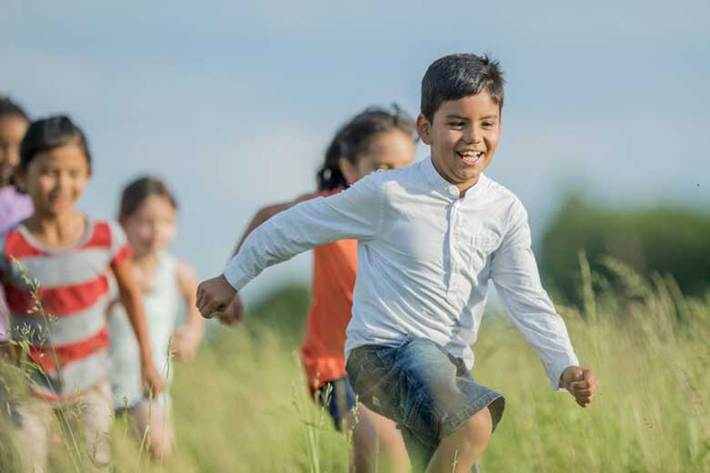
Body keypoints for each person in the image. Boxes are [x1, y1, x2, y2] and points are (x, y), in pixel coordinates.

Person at [196, 53, 598, 473]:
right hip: (383, 353)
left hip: (447, 367)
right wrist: (231, 277)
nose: (473, 138)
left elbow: (527, 297)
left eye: (487, 124)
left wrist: (564, 364)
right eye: (457, 123)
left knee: (457, 453)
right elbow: (294, 225)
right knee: (475, 422)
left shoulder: (505, 211)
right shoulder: (388, 193)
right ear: (425, 129)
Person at [219, 106, 416, 472]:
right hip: (335, 366)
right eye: (381, 167)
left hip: (397, 364)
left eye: (405, 168)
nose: (394, 180)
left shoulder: (418, 220)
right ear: (349, 167)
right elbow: (267, 217)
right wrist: (232, 283)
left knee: (393, 453)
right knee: (382, 443)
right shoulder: (329, 210)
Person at [0, 115, 163, 471]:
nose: (61, 184)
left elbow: (132, 294)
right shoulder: (10, 245)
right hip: (28, 393)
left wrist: (147, 361)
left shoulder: (105, 237)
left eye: (73, 173)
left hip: (90, 386)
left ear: (88, 175)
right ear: (23, 175)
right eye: (48, 172)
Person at [109, 176, 204, 461]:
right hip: (102, 385)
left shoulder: (175, 270)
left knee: (157, 447)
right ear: (123, 221)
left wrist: (192, 331)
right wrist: (120, 296)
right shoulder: (109, 270)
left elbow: (197, 298)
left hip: (150, 389)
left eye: (165, 222)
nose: (155, 232)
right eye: (145, 222)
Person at [0, 97, 33, 342]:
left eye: (18, 148)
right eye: (1, 145)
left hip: (20, 335)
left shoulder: (31, 204)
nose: (10, 157)